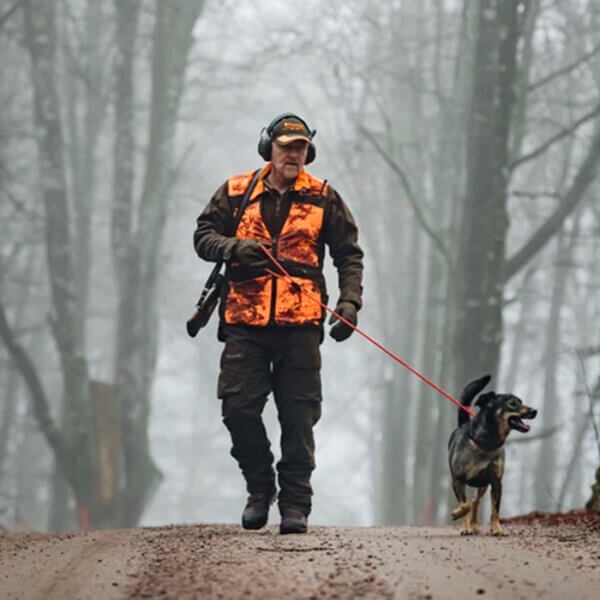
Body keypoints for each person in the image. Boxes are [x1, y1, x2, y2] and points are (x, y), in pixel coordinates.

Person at [193, 113, 363, 534]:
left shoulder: (325, 197)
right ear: (268, 146)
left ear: (309, 151)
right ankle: (259, 487)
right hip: (243, 323)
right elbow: (202, 237)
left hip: (301, 325)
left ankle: (295, 505)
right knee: (237, 410)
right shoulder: (235, 192)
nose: (293, 153)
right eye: (287, 145)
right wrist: (234, 248)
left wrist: (349, 303)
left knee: (299, 417)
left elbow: (348, 255)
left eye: (301, 147)